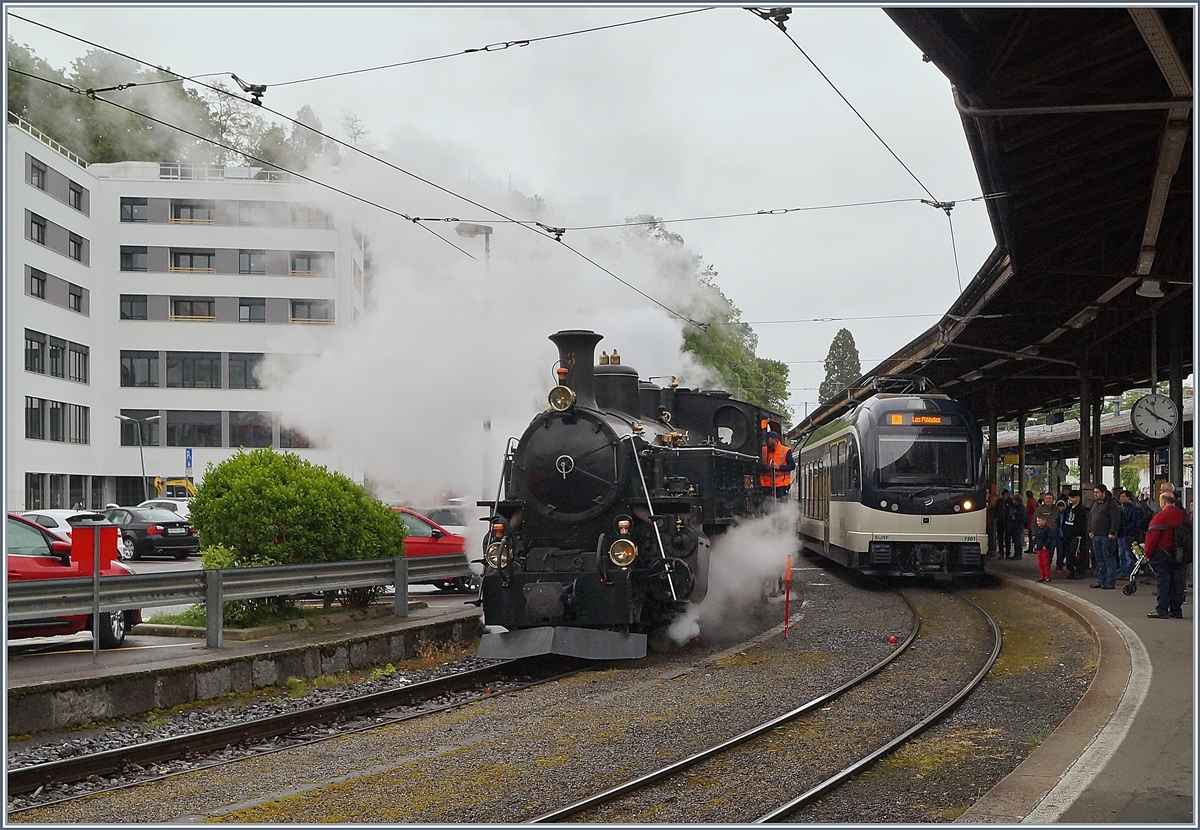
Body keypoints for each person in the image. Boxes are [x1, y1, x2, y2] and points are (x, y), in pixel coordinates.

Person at [1145, 492, 1191, 619]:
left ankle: (1162, 610)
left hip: (1162, 553)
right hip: (1180, 554)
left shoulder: (1160, 516)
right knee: (1178, 582)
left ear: (1164, 502)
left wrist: (1148, 554)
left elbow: (1152, 537)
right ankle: (1176, 610)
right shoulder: (1183, 515)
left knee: (1163, 582)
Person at [1088, 484, 1121, 589]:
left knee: (1109, 558)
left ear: (1104, 493)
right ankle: (1101, 579)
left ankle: (1110, 581)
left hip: (1106, 535)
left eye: (1097, 492)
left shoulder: (1111, 503)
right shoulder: (1095, 503)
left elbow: (1115, 518)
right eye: (1094, 493)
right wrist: (1090, 530)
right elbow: (1091, 517)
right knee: (1100, 559)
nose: (1095, 495)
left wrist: (1112, 531)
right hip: (1096, 535)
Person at [758, 430, 794, 502]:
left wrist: (779, 467)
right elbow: (757, 466)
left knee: (781, 506)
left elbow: (792, 465)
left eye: (768, 439)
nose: (766, 441)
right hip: (766, 486)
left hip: (781, 486)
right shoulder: (763, 450)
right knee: (766, 507)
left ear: (775, 439)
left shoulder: (786, 451)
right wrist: (767, 467)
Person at [1060, 490, 1086, 579]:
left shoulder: (1081, 510)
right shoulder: (1068, 509)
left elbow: (1081, 524)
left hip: (1076, 536)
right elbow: (1064, 520)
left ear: (1078, 498)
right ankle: (1071, 570)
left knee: (1075, 553)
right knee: (1068, 554)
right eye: (1070, 497)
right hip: (1067, 534)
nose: (1071, 499)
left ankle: (1078, 571)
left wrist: (1077, 533)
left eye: (1073, 497)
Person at [1033, 493, 1061, 570]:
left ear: (1053, 499)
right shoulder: (1040, 509)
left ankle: (1048, 568)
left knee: (1052, 551)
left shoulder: (1056, 509)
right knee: (1044, 553)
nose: (1048, 500)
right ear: (1044, 499)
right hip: (1043, 535)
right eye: (1046, 498)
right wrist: (1033, 534)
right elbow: (1034, 521)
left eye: (1050, 498)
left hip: (1054, 534)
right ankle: (1044, 570)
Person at [1117, 489, 1140, 580]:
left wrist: (1127, 528)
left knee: (1128, 554)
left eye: (1123, 496)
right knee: (1121, 554)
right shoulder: (1121, 507)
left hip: (1128, 533)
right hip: (1121, 534)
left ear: (1128, 497)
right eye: (1120, 497)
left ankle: (1129, 572)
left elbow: (1134, 521)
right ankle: (1123, 571)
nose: (1121, 498)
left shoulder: (1132, 507)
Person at [1033, 514, 1054, 582]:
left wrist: (1046, 545)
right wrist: (1035, 544)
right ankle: (1042, 576)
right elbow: (1036, 538)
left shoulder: (1047, 529)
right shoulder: (1037, 529)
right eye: (1037, 521)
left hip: (1044, 549)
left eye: (1040, 521)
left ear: (1044, 521)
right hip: (1039, 548)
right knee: (1040, 563)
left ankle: (1047, 576)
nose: (1038, 522)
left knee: (1045, 563)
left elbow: (1049, 538)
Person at [1006, 494, 1026, 561]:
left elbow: (1023, 518)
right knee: (1015, 541)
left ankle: (1018, 554)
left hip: (1017, 526)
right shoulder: (1015, 507)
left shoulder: (1020, 508)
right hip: (1014, 526)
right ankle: (1016, 554)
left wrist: (1015, 518)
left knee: (1017, 541)